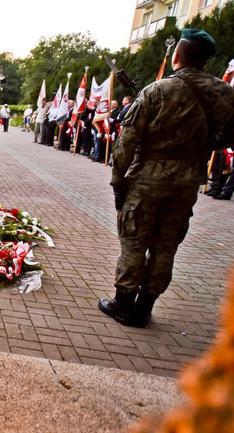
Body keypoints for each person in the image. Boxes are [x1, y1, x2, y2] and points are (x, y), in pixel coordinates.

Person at [99, 29, 234, 328]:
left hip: (148, 180)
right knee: (166, 245)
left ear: (177, 56)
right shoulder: (226, 94)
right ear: (206, 59)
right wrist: (201, 145)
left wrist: (118, 180)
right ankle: (145, 306)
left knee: (135, 241)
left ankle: (123, 304)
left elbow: (127, 142)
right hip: (187, 183)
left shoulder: (158, 90)